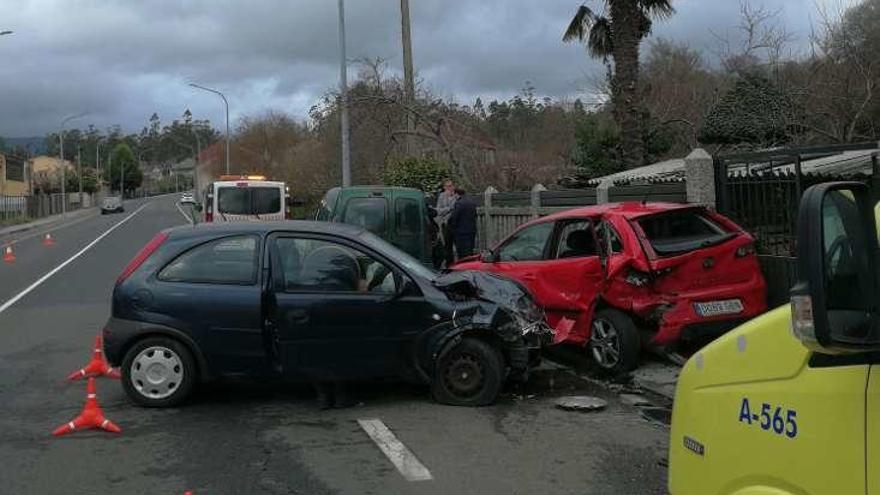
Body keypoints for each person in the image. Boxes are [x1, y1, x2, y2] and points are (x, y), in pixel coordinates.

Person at [434, 179, 458, 267]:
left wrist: (448, 209)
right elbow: (438, 210)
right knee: (447, 245)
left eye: (451, 186)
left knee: (456, 246)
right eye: (447, 186)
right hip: (445, 223)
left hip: (455, 224)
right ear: (444, 187)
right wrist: (449, 208)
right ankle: (449, 264)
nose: (449, 188)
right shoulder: (441, 196)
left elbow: (456, 209)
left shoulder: (456, 196)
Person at [449, 188, 477, 259]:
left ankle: (463, 267)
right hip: (471, 230)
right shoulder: (472, 202)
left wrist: (452, 228)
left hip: (461, 232)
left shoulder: (459, 203)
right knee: (470, 251)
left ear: (456, 194)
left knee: (462, 252)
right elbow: (475, 215)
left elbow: (454, 217)